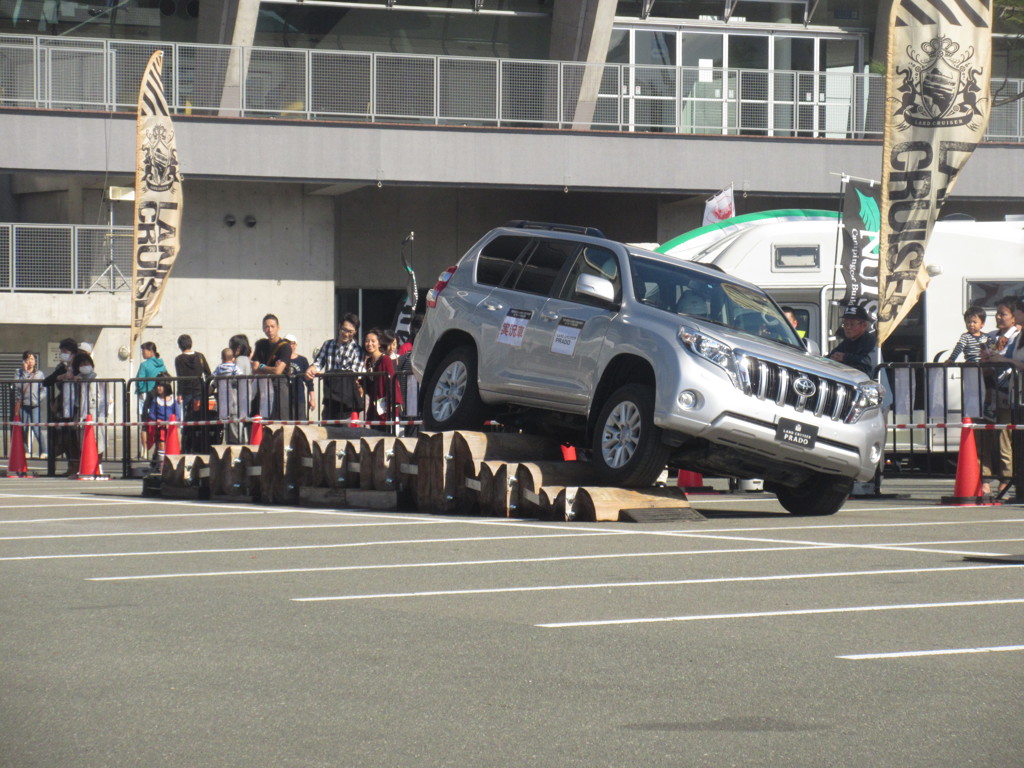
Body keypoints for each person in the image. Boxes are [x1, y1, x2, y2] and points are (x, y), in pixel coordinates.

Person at [978, 297, 1023, 495]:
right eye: (997, 313)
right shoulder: (992, 336)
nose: (998, 317)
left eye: (1003, 314)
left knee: (1005, 436)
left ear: (1014, 318)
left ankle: (1006, 478)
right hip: (988, 391)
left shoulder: (1016, 336)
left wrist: (1001, 359)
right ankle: (984, 477)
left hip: (1007, 392)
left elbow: (1011, 361)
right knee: (984, 435)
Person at [305, 314, 365, 425]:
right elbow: (318, 363)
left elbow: (355, 374)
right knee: (326, 429)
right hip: (329, 397)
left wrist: (332, 374)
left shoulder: (357, 350)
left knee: (344, 433)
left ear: (355, 332)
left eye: (350, 332)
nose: (346, 334)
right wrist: (311, 369)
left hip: (346, 400)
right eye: (344, 329)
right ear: (339, 327)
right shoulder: (327, 344)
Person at [44, 338, 79, 474]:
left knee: (75, 436)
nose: (63, 353)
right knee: (65, 436)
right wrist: (61, 376)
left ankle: (76, 465)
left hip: (77, 404)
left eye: (65, 351)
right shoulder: (61, 367)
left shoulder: (79, 364)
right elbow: (46, 381)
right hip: (64, 406)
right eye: (61, 351)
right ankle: (71, 465)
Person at [174, 334, 212, 453]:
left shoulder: (179, 359)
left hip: (187, 392)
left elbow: (180, 377)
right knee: (201, 417)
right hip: (200, 391)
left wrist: (179, 393)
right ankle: (201, 443)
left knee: (188, 418)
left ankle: (188, 445)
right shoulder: (200, 356)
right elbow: (208, 373)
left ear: (180, 346)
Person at [251, 314, 290, 420]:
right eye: (267, 327)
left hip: (279, 384)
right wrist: (270, 369)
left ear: (278, 327)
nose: (270, 329)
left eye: (272, 326)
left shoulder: (285, 346)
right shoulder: (260, 344)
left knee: (281, 419)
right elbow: (254, 369)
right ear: (263, 328)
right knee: (265, 419)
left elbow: (278, 371)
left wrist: (262, 366)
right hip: (264, 386)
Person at [362, 328, 401, 430]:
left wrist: (393, 403)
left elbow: (393, 381)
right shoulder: (369, 361)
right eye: (367, 341)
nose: (369, 344)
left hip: (385, 406)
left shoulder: (385, 359)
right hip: (373, 406)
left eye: (373, 341)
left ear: (379, 343)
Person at [135, 341, 167, 455]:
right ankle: (158, 450)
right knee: (158, 423)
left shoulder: (144, 365)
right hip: (159, 396)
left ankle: (144, 451)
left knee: (144, 423)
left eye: (144, 350)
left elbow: (139, 381)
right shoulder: (162, 364)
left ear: (150, 351)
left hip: (146, 395)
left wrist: (140, 390)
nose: (142, 353)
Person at [827, 304, 877, 376]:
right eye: (845, 324)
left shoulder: (871, 342)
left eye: (852, 324)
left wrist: (845, 357)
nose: (848, 327)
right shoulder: (847, 342)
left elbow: (868, 361)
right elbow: (834, 354)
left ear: (864, 325)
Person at [14, 351, 47, 458]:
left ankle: (44, 451)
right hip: (23, 404)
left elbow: (44, 389)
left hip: (35, 404)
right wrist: (24, 372)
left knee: (36, 428)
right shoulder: (18, 372)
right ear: (24, 361)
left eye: (32, 359)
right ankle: (26, 450)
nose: (30, 361)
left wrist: (38, 399)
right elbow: (18, 385)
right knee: (23, 428)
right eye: (28, 359)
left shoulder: (39, 373)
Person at [220, 335, 253, 445]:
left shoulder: (239, 360)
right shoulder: (246, 360)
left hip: (236, 400)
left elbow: (235, 379)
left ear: (237, 348)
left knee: (235, 430)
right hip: (244, 399)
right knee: (240, 427)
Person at [147, 374, 183, 470]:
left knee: (172, 444)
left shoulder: (173, 401)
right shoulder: (156, 400)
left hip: (171, 428)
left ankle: (171, 464)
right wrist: (157, 420)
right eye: (157, 385)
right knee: (161, 444)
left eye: (161, 385)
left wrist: (171, 421)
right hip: (161, 427)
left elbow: (178, 414)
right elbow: (151, 413)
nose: (158, 388)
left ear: (166, 387)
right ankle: (161, 465)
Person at [284, 333, 315, 420]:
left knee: (301, 425)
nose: (288, 346)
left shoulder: (302, 360)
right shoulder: (281, 360)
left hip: (299, 398)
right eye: (285, 343)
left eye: (291, 343)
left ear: (295, 345)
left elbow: (309, 382)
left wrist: (312, 399)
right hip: (284, 399)